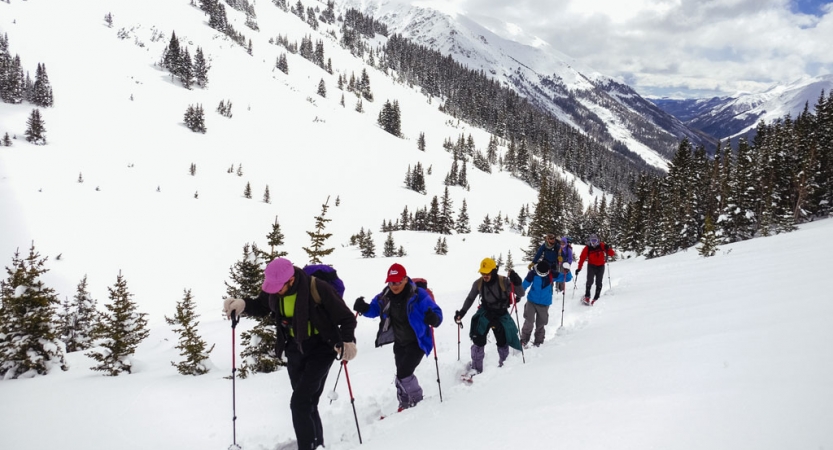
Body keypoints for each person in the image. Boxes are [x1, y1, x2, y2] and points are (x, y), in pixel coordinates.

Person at [223, 258, 357, 450]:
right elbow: (262, 305)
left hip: (321, 348)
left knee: (299, 403)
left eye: (279, 287)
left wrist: (348, 341)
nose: (275, 291)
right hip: (295, 348)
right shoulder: (275, 290)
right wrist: (242, 304)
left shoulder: (317, 288)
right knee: (307, 402)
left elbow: (345, 317)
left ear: (291, 280)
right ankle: (316, 444)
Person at [353, 263, 443, 411]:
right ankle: (404, 402)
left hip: (418, 341)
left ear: (405, 279)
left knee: (404, 373)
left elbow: (437, 313)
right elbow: (374, 309)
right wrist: (364, 308)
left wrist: (434, 318)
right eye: (391, 282)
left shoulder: (419, 295)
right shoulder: (385, 295)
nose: (394, 285)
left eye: (398, 282)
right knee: (401, 373)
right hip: (400, 342)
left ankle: (418, 401)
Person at [454, 257, 525, 373]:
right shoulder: (478, 283)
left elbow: (521, 293)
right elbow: (470, 298)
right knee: (478, 340)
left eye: (487, 273)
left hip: (501, 314)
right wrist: (462, 312)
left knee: (502, 341)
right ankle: (476, 369)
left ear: (493, 271)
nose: (484, 276)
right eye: (482, 273)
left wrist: (516, 282)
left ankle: (504, 366)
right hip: (485, 313)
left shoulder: (504, 281)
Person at [520, 261, 554, 347]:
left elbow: (566, 278)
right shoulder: (532, 273)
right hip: (531, 301)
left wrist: (566, 270)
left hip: (544, 303)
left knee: (541, 324)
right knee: (529, 321)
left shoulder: (552, 274)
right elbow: (525, 284)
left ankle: (539, 341)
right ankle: (524, 340)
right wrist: (519, 293)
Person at [575, 234, 615, 305]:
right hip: (591, 266)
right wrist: (579, 268)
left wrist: (608, 248)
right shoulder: (587, 248)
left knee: (599, 282)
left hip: (601, 266)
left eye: (595, 240)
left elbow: (612, 254)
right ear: (589, 241)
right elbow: (582, 258)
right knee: (589, 281)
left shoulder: (601, 245)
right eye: (592, 240)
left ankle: (596, 298)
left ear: (598, 240)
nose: (593, 242)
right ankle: (587, 297)